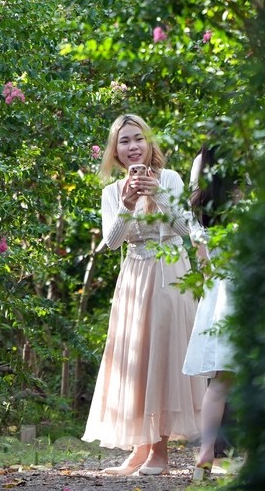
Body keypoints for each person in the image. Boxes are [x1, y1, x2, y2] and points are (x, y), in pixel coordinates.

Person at [82, 113, 207, 476]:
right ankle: (140, 449)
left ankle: (160, 453)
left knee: (164, 356)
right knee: (136, 360)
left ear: (149, 143)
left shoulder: (169, 179)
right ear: (116, 152)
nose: (133, 146)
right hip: (134, 277)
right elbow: (111, 241)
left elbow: (187, 228)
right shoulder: (111, 192)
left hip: (170, 272)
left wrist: (159, 197)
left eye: (138, 138)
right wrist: (127, 202)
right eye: (124, 141)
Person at [182, 143, 240, 481]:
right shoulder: (247, 202)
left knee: (220, 382)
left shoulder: (202, 208)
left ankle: (205, 454)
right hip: (247, 288)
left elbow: (202, 258)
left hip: (220, 291)